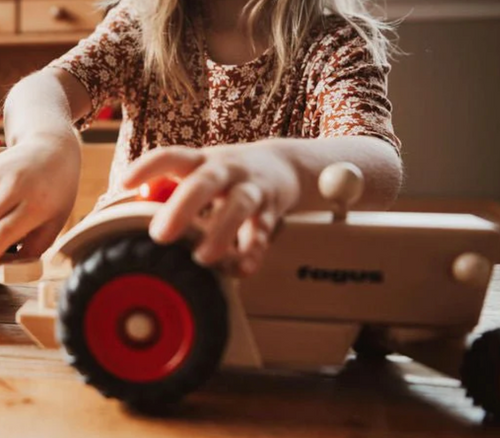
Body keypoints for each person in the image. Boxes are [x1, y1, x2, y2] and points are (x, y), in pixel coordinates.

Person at [2, 0, 402, 276]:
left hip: (254, 283)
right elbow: (42, 88)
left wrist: (283, 167)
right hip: (122, 268)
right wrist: (47, 140)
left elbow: (375, 157)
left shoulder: (336, 43)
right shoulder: (141, 24)